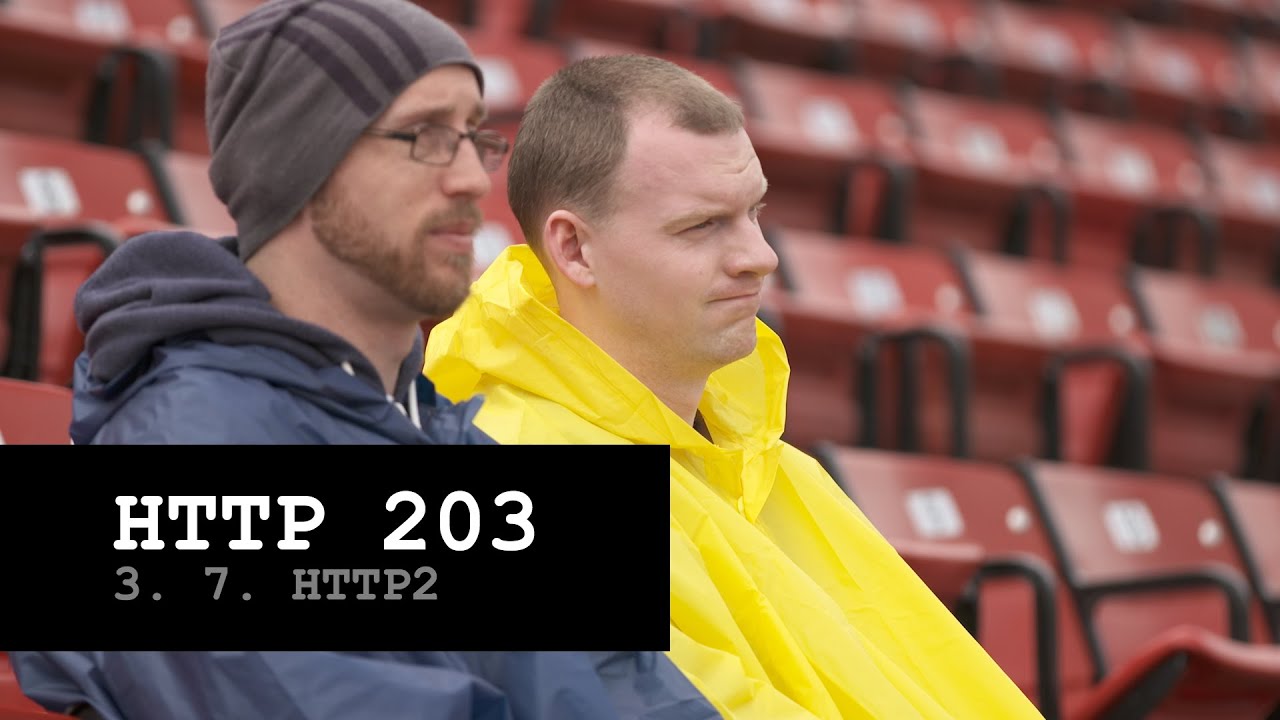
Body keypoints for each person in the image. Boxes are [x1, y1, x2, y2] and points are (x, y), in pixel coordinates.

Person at [9, 2, 723, 719]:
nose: (474, 179)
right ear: (299, 163)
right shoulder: (190, 448)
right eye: (426, 136)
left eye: (473, 136)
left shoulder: (451, 434)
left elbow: (645, 695)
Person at [422, 54, 1045, 719]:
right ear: (574, 249)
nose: (761, 257)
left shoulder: (760, 458)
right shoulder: (505, 480)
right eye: (702, 226)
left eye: (754, 212)